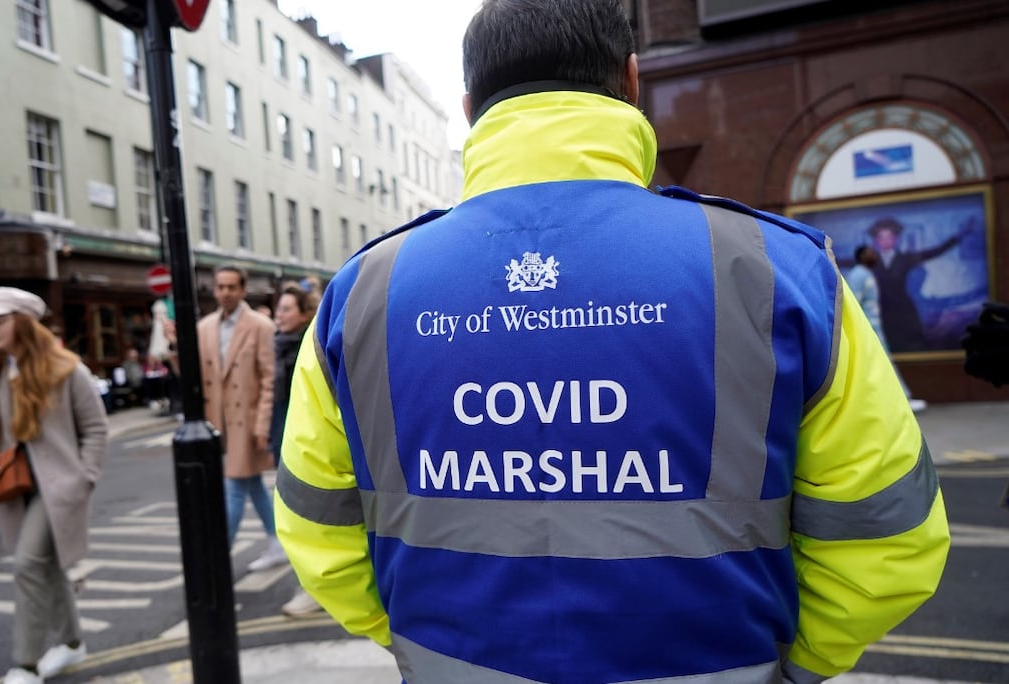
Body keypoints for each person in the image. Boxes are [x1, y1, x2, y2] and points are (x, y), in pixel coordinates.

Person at [273, 2, 950, 682]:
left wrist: (421, 648)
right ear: (632, 80)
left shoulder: (362, 292)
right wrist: (795, 665)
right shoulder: (778, 269)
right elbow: (887, 537)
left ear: (470, 105)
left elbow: (316, 530)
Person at [0, 287, 108, 684]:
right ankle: (73, 643)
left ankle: (25, 664)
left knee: (27, 566)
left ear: (23, 322)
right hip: (14, 485)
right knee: (50, 567)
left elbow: (95, 428)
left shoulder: (66, 369)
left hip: (58, 489)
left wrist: (85, 477)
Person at [196, 264, 282, 571]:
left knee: (234, 486)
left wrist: (263, 426)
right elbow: (193, 377)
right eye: (220, 287)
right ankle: (277, 542)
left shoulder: (260, 326)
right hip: (216, 422)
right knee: (252, 485)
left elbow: (270, 379)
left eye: (232, 287)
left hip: (247, 422)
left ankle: (218, 557)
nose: (226, 293)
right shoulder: (204, 327)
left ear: (243, 289)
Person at [268, 284, 324, 617]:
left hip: (310, 442)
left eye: (287, 309)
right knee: (290, 514)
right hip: (285, 437)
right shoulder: (276, 345)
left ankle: (312, 589)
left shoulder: (311, 344)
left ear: (304, 313)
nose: (280, 315)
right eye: (279, 309)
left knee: (311, 516)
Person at [867, 215, 974, 352]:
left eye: (889, 237)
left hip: (904, 310)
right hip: (881, 310)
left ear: (896, 239)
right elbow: (847, 262)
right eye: (882, 237)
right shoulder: (870, 261)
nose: (886, 241)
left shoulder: (906, 259)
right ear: (876, 240)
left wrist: (958, 237)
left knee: (911, 345)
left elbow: (934, 252)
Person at [846, 246, 927, 412]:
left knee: (881, 364)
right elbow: (854, 304)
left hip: (873, 328)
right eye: (870, 253)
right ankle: (902, 400)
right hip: (868, 329)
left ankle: (898, 400)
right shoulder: (858, 275)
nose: (874, 255)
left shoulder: (864, 273)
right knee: (882, 364)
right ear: (861, 256)